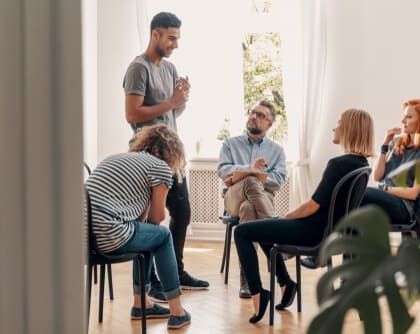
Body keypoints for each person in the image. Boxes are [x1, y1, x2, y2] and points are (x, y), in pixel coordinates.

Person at [234, 109, 375, 323]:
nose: (335, 127)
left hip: (311, 232)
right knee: (263, 228)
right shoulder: (362, 165)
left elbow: (312, 205)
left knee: (242, 231)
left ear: (349, 129)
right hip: (327, 233)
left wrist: (287, 217)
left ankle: (258, 294)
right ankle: (286, 283)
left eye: (338, 123)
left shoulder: (338, 164)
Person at [123, 11, 209, 300]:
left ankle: (176, 271)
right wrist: (170, 102)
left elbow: (171, 113)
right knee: (151, 220)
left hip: (172, 153)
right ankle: (151, 282)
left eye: (177, 38)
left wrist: (180, 101)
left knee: (182, 213)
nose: (175, 44)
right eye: (171, 38)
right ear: (155, 34)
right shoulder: (139, 68)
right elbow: (132, 114)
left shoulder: (170, 69)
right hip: (147, 155)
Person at [86, 125, 191, 329]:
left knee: (149, 234)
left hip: (83, 236)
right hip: (108, 234)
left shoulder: (115, 158)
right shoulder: (159, 167)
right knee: (163, 235)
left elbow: (142, 222)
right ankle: (177, 311)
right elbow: (158, 217)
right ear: (171, 152)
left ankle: (141, 304)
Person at [217, 100, 287, 298]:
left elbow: (278, 181)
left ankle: (248, 281)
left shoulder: (277, 150)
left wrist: (251, 177)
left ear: (269, 124)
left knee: (248, 208)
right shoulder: (230, 144)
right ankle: (279, 237)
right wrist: (251, 170)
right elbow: (223, 170)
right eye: (252, 113)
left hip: (261, 199)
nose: (254, 117)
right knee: (248, 182)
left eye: (261, 115)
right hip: (233, 198)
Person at [360, 99, 420, 228]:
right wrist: (385, 145)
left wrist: (385, 189)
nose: (403, 121)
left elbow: (413, 193)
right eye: (404, 116)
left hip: (404, 207)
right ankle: (354, 246)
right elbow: (377, 176)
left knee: (360, 193)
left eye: (409, 117)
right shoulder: (397, 142)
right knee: (353, 196)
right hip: (385, 197)